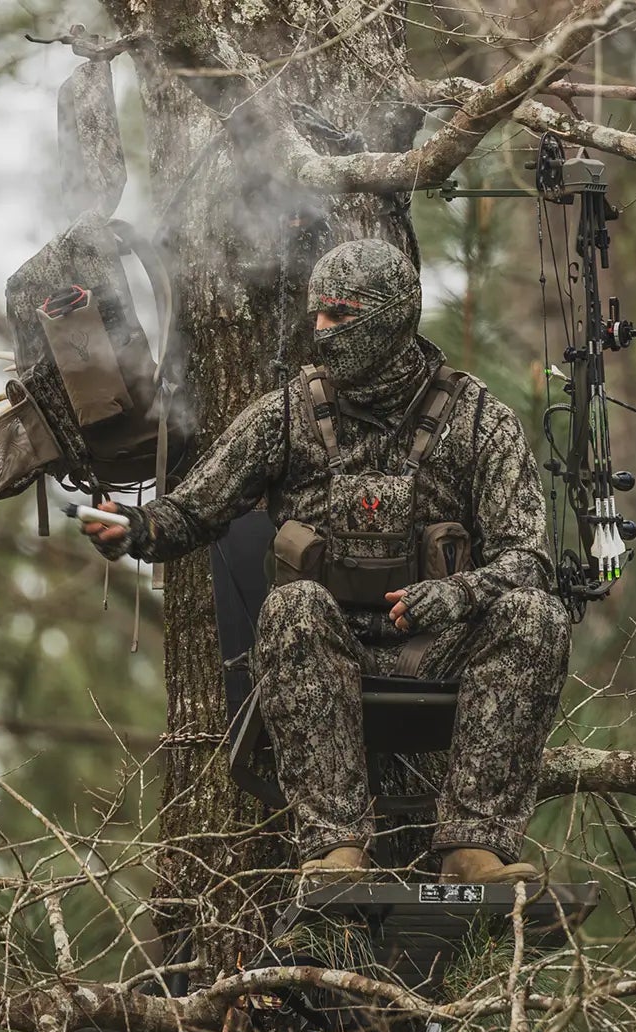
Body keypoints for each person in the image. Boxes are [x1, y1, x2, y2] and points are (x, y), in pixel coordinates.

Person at [82, 238, 571, 885]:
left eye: (340, 314)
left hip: (440, 651)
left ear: (392, 314)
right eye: (317, 314)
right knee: (293, 605)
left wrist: (456, 594)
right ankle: (336, 849)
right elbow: (195, 509)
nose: (321, 330)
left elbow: (528, 558)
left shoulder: (479, 418)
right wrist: (133, 527)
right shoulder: (289, 414)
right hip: (326, 648)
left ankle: (473, 849)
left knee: (536, 615)